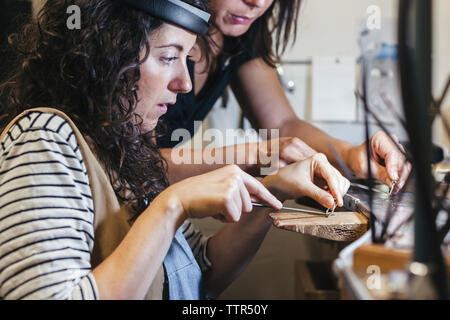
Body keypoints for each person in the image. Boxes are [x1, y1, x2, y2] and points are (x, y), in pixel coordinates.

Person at [0, 0, 349, 300]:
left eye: (187, 59)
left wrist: (271, 191)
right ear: (111, 52)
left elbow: (200, 274)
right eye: (169, 57)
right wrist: (173, 205)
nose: (184, 84)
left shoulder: (124, 153)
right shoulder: (46, 139)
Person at [157, 0, 412, 194]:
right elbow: (124, 161)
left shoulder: (239, 37)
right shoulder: (152, 30)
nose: (257, 3)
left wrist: (351, 155)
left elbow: (282, 125)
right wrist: (253, 156)